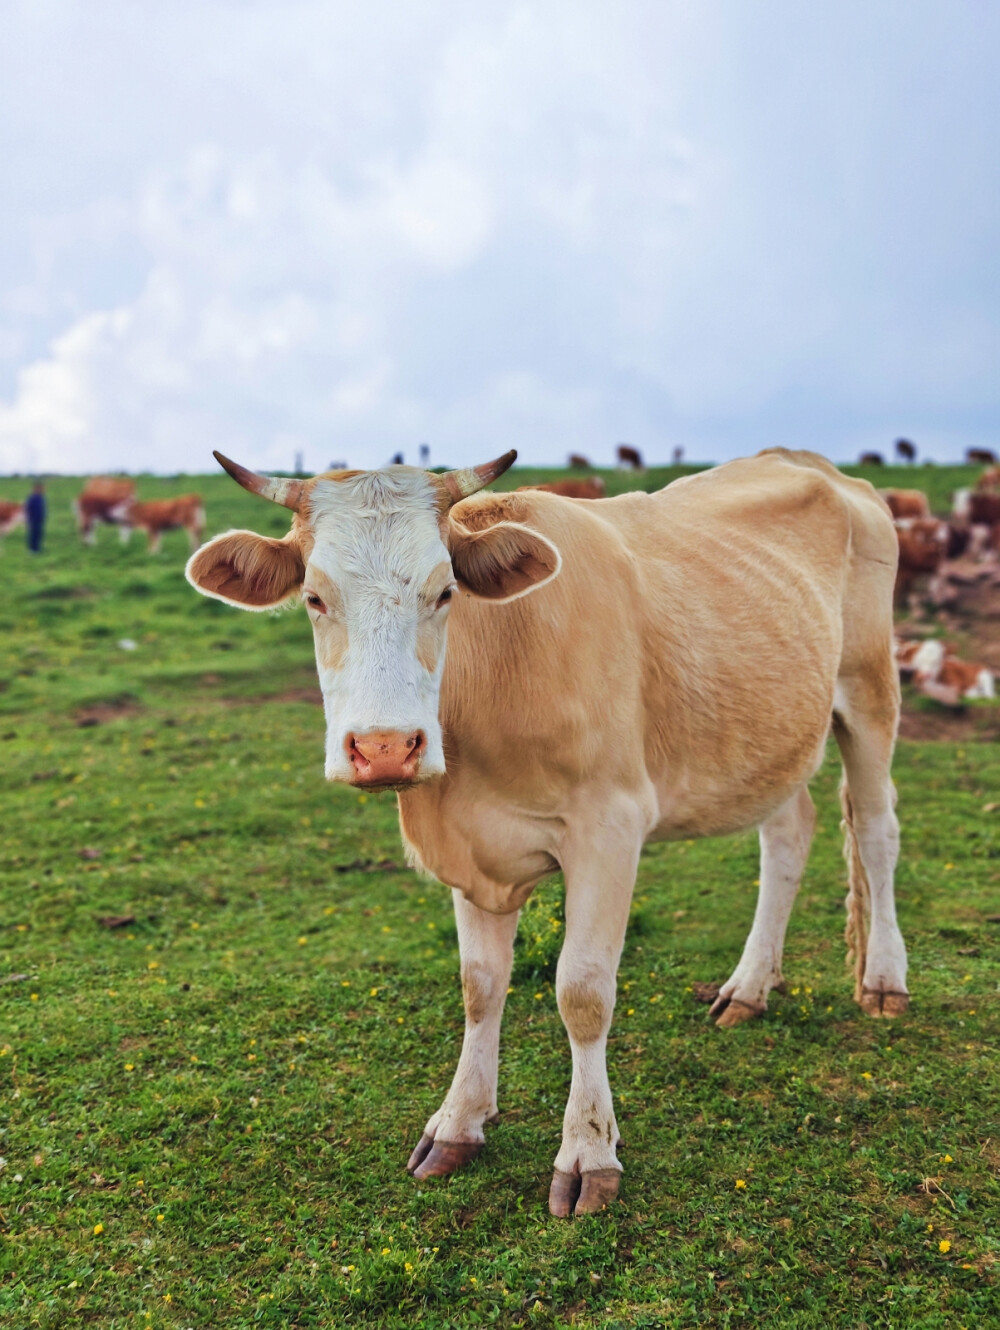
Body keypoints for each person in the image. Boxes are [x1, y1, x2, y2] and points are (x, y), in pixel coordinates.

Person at [25, 482, 46, 553]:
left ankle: (37, 548)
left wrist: (43, 517)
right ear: (36, 489)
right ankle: (32, 550)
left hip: (40, 520)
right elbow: (28, 509)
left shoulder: (41, 498)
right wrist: (29, 519)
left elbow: (42, 509)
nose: (42, 490)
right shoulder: (31, 498)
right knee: (32, 535)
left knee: (39, 534)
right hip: (33, 520)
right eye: (40, 489)